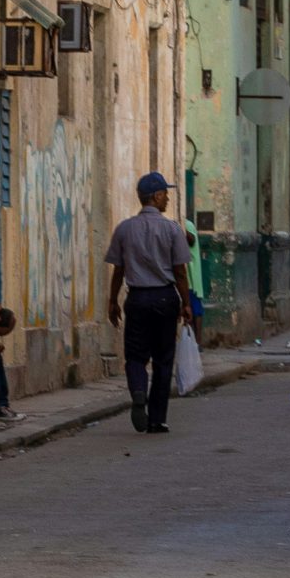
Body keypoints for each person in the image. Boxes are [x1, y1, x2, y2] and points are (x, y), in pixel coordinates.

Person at [104, 171, 193, 433]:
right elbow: (180, 271)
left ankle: (139, 391)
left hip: (137, 298)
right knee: (163, 360)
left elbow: (118, 270)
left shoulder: (124, 229)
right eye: (165, 193)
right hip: (165, 298)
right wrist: (185, 303)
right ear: (155, 196)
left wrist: (112, 301)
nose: (167, 198)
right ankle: (157, 419)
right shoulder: (171, 229)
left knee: (135, 355)